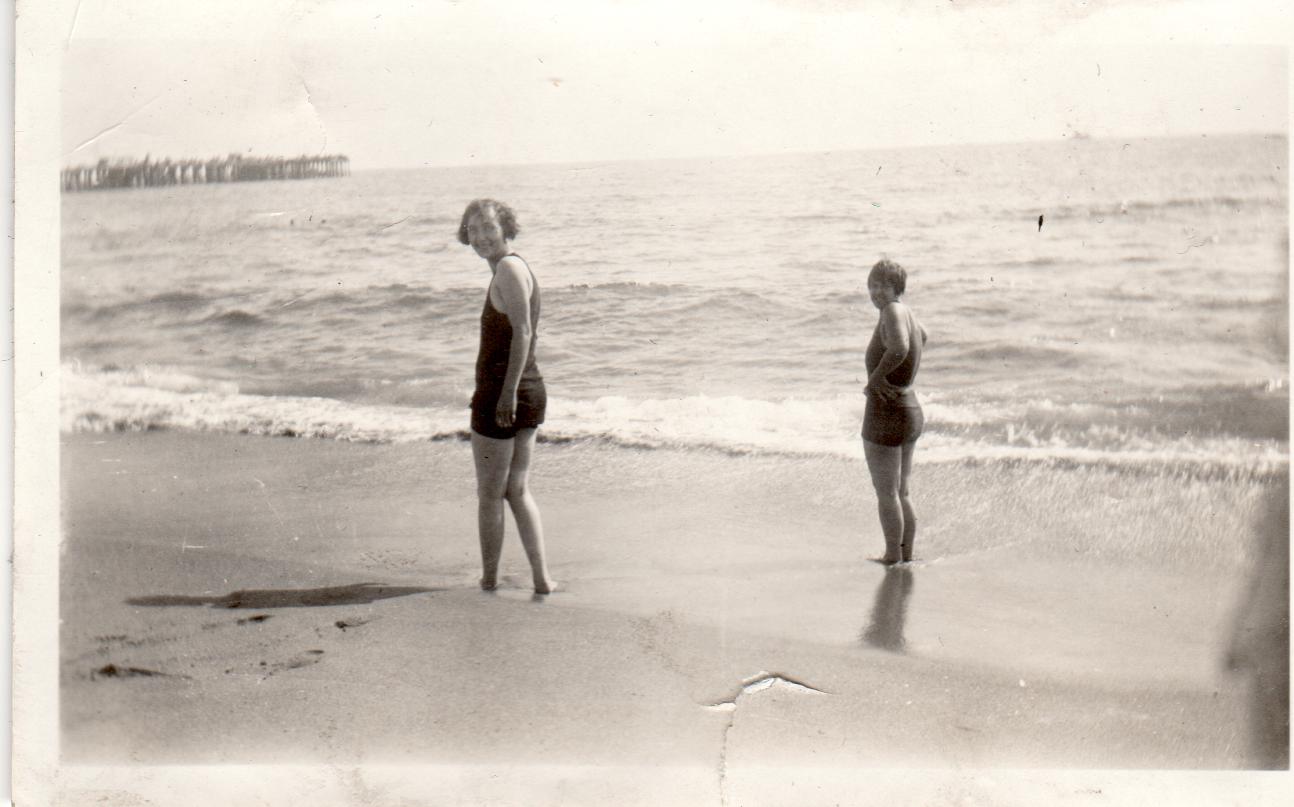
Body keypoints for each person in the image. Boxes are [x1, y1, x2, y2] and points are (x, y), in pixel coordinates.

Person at [457, 199, 556, 594]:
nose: (480, 236)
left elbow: (523, 332)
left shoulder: (508, 270)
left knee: (490, 493)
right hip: (525, 391)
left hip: (505, 394)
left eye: (488, 227)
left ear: (505, 229)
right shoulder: (512, 267)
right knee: (516, 489)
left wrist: (505, 395)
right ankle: (541, 579)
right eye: (473, 229)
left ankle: (489, 579)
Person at [862, 258, 928, 565]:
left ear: (896, 288)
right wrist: (902, 377)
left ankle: (892, 556)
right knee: (902, 492)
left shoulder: (891, 311)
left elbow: (900, 347)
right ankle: (905, 555)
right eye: (872, 285)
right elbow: (922, 337)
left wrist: (875, 379)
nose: (876, 292)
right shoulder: (907, 312)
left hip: (886, 410)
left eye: (883, 286)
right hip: (908, 406)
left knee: (887, 493)